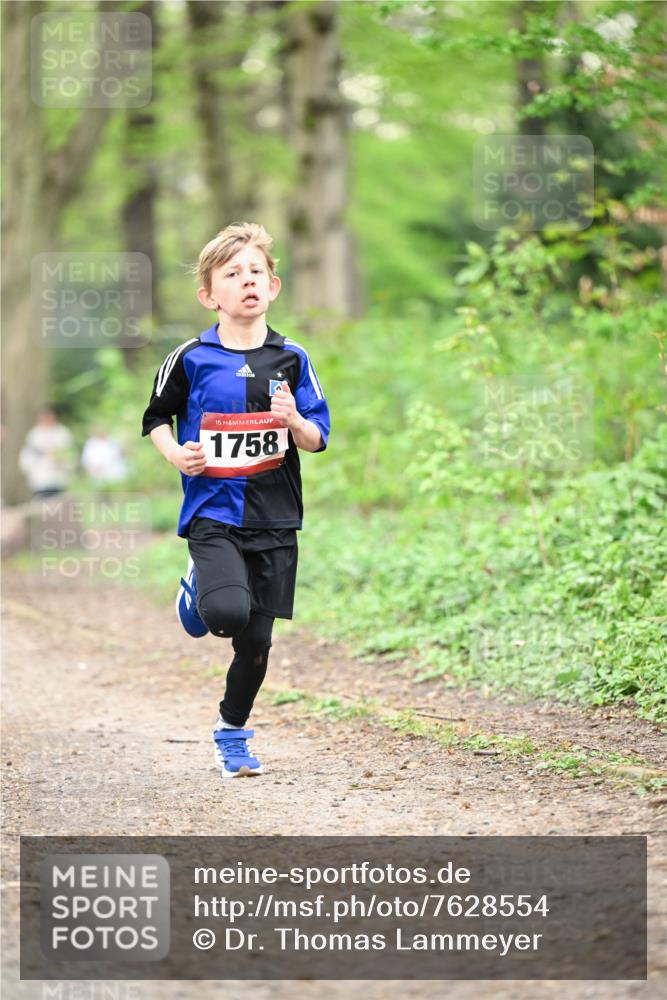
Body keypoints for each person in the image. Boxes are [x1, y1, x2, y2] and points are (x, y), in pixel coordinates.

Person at [141, 222, 330, 778]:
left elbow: (317, 438)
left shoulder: (293, 358)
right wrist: (176, 454)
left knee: (257, 643)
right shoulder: (191, 357)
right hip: (212, 512)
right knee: (225, 616)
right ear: (209, 295)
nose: (246, 281)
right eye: (232, 274)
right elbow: (155, 418)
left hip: (275, 516)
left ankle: (232, 733)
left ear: (273, 287)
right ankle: (201, 585)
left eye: (256, 272)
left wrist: (294, 419)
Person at [19, 406, 75, 498]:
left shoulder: (63, 433)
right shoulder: (34, 434)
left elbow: (70, 455)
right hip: (40, 479)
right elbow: (27, 455)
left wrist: (61, 459)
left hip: (58, 479)